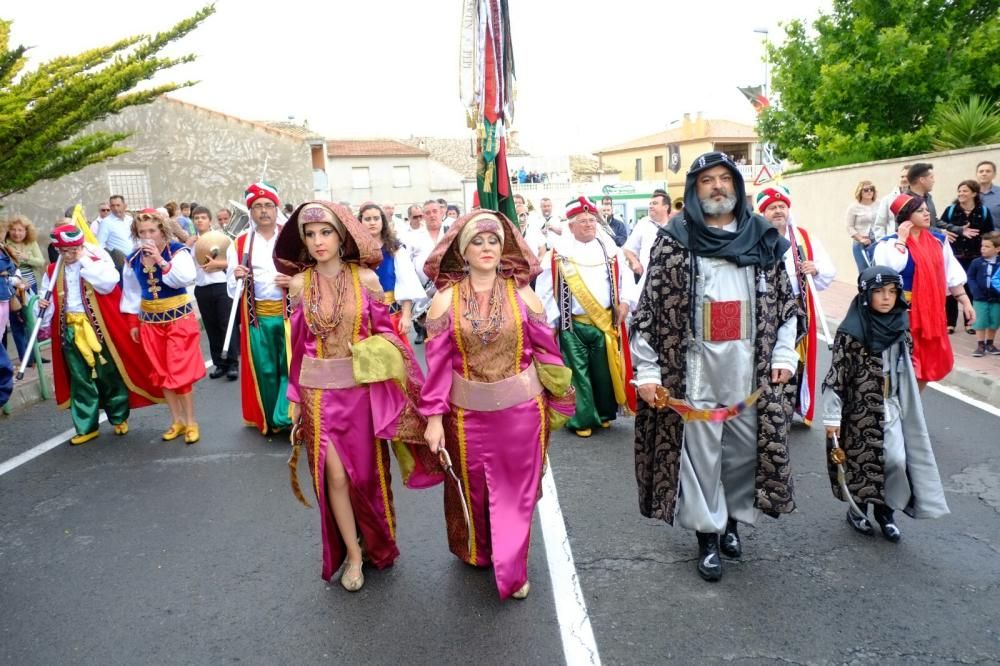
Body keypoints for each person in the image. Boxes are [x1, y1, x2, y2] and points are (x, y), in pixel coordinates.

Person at [632, 151, 801, 582]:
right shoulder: (673, 240)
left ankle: (731, 523)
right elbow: (649, 311)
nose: (718, 186)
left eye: (725, 178)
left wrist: (784, 354)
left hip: (750, 371)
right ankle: (707, 536)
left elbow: (787, 307)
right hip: (694, 372)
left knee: (742, 458)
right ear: (694, 189)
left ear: (737, 187)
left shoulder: (764, 239)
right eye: (708, 180)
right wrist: (648, 372)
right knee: (701, 458)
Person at [277, 201, 436, 592]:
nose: (318, 241)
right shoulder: (299, 285)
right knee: (334, 476)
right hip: (318, 394)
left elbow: (387, 334)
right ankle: (351, 553)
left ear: (342, 235)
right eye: (310, 235)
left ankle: (374, 541)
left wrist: (380, 352)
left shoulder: (365, 279)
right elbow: (297, 346)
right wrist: (294, 396)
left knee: (365, 476)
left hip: (360, 394)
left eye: (325, 232)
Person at [420, 211, 575, 600]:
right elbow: (438, 369)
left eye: (493, 241)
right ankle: (480, 549)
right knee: (473, 491)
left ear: (504, 247)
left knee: (515, 493)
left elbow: (547, 352)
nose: (486, 248)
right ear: (463, 251)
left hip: (522, 414)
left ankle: (513, 568)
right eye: (477, 242)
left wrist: (561, 394)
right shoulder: (444, 301)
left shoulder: (524, 295)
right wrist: (434, 419)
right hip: (465, 416)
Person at [822, 265, 949, 541]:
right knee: (860, 462)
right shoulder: (851, 332)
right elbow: (836, 378)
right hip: (858, 410)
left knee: (895, 459)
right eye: (878, 291)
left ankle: (885, 511)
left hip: (890, 404)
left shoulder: (900, 326)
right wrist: (831, 419)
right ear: (866, 294)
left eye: (892, 292)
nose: (886, 298)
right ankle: (858, 509)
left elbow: (906, 364)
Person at [39, 225, 162, 444]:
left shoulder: (96, 261)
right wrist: (42, 304)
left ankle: (118, 417)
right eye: (63, 251)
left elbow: (108, 284)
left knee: (108, 374)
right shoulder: (52, 271)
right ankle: (86, 426)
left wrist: (84, 259)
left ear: (80, 246)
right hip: (69, 329)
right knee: (80, 379)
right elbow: (46, 305)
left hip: (97, 329)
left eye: (72, 250)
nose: (68, 255)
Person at [536, 196, 636, 437]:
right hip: (573, 325)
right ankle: (582, 419)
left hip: (604, 323)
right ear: (570, 226)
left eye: (592, 220)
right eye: (583, 221)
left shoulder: (610, 250)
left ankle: (602, 413)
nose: (589, 224)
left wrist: (625, 302)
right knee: (578, 374)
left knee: (603, 372)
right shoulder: (557, 255)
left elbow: (625, 280)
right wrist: (551, 322)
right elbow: (546, 291)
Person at [121, 210, 204, 443]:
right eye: (142, 232)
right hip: (150, 322)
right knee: (161, 370)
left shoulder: (177, 252)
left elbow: (184, 279)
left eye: (152, 231)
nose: (147, 236)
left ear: (162, 230)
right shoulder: (133, 259)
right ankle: (176, 420)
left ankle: (190, 421)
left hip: (179, 319)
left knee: (179, 370)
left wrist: (160, 259)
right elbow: (131, 293)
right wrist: (132, 322)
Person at [872, 194, 972, 388]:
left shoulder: (939, 241)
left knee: (925, 368)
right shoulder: (887, 244)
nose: (927, 214)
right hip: (900, 317)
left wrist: (965, 302)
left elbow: (951, 272)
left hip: (930, 315)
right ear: (906, 216)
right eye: (920, 211)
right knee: (898, 367)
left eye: (927, 210)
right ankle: (891, 409)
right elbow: (891, 269)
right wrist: (902, 239)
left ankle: (911, 409)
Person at [756, 185, 836, 426]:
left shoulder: (804, 237)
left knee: (795, 361)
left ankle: (788, 408)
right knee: (767, 358)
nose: (778, 211)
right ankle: (765, 405)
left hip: (800, 308)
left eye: (782, 206)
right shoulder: (755, 237)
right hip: (767, 310)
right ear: (763, 212)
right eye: (772, 207)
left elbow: (828, 272)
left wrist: (815, 268)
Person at [227, 182, 293, 435]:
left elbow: (310, 274)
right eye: (257, 206)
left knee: (290, 367)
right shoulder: (240, 243)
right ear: (250, 211)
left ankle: (289, 417)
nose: (263, 210)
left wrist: (293, 281)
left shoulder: (291, 237)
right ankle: (272, 420)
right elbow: (232, 292)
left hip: (289, 316)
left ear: (276, 208)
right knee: (266, 370)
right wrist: (236, 277)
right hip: (258, 318)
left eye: (268, 205)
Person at [358, 202, 426, 346]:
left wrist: (406, 316)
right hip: (363, 319)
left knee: (396, 362)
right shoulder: (354, 252)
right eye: (367, 219)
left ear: (383, 221)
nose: (372, 223)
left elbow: (407, 282)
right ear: (360, 222)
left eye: (376, 218)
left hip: (391, 316)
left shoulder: (395, 249)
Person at [940, 180, 995, 334]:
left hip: (975, 256)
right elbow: (940, 227)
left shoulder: (983, 211)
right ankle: (950, 323)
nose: (961, 194)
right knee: (951, 288)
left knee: (970, 288)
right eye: (959, 191)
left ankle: (969, 322)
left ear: (974, 193)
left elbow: (989, 232)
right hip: (954, 255)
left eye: (965, 191)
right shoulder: (951, 210)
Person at [191, 206, 238, 380]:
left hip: (221, 285)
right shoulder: (191, 243)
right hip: (202, 287)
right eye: (196, 218)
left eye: (203, 217)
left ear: (209, 220)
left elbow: (234, 262)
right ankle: (220, 364)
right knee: (211, 327)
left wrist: (217, 265)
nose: (200, 221)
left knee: (226, 325)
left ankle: (232, 363)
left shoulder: (222, 239)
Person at [408, 199, 448, 344]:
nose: (432, 215)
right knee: (431, 335)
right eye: (428, 212)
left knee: (450, 332)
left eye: (435, 211)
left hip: (448, 289)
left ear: (442, 212)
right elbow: (408, 265)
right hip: (424, 291)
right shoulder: (413, 237)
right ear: (423, 216)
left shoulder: (452, 233)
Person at [623, 189, 671, 290]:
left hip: (669, 280)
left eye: (655, 203)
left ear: (666, 207)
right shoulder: (643, 223)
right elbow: (628, 249)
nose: (650, 206)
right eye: (650, 203)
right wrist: (635, 262)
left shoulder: (674, 225)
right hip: (646, 281)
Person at [965, 231, 1000, 356]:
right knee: (980, 321)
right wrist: (974, 290)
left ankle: (990, 343)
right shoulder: (976, 262)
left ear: (997, 249)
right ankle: (980, 344)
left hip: (996, 298)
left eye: (987, 246)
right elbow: (970, 277)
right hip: (980, 297)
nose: (983, 249)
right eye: (982, 246)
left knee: (994, 320)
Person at [4, 216, 46, 293]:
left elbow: (41, 262)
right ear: (8, 230)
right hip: (14, 285)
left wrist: (27, 258)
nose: (17, 233)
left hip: (33, 283)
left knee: (33, 304)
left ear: (26, 231)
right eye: (13, 230)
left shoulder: (32, 243)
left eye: (20, 230)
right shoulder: (5, 243)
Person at [845, 180, 879, 272]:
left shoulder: (879, 204)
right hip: (861, 243)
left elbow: (884, 222)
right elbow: (849, 227)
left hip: (877, 241)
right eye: (866, 190)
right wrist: (861, 239)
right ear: (860, 192)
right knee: (865, 271)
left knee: (878, 270)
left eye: (871, 189)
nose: (869, 192)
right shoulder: (853, 207)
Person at [874, 164, 911, 240]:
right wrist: (882, 241)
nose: (904, 179)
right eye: (902, 177)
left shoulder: (922, 197)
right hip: (894, 242)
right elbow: (879, 225)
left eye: (907, 176)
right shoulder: (888, 199)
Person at [976, 160, 1000, 224]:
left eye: (988, 171)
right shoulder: (967, 193)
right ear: (977, 174)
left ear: (994, 175)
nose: (984, 174)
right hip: (972, 233)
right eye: (981, 171)